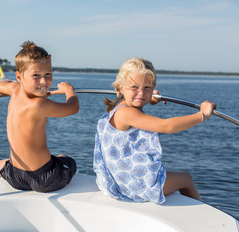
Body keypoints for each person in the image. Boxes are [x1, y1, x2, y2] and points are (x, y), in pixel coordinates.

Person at [93, 57, 216, 204]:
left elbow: (136, 106)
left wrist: (149, 99)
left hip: (117, 180)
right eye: (134, 87)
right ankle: (201, 216)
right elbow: (166, 126)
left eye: (147, 88)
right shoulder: (126, 113)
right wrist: (202, 115)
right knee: (186, 179)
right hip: (134, 186)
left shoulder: (119, 107)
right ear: (120, 87)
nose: (141, 93)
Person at [0, 41, 79, 193]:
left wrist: (9, 82)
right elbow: (73, 108)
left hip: (16, 175)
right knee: (66, 159)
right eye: (36, 76)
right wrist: (69, 91)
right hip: (44, 178)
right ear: (19, 76)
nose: (44, 81)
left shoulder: (14, 89)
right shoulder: (39, 105)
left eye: (48, 74)